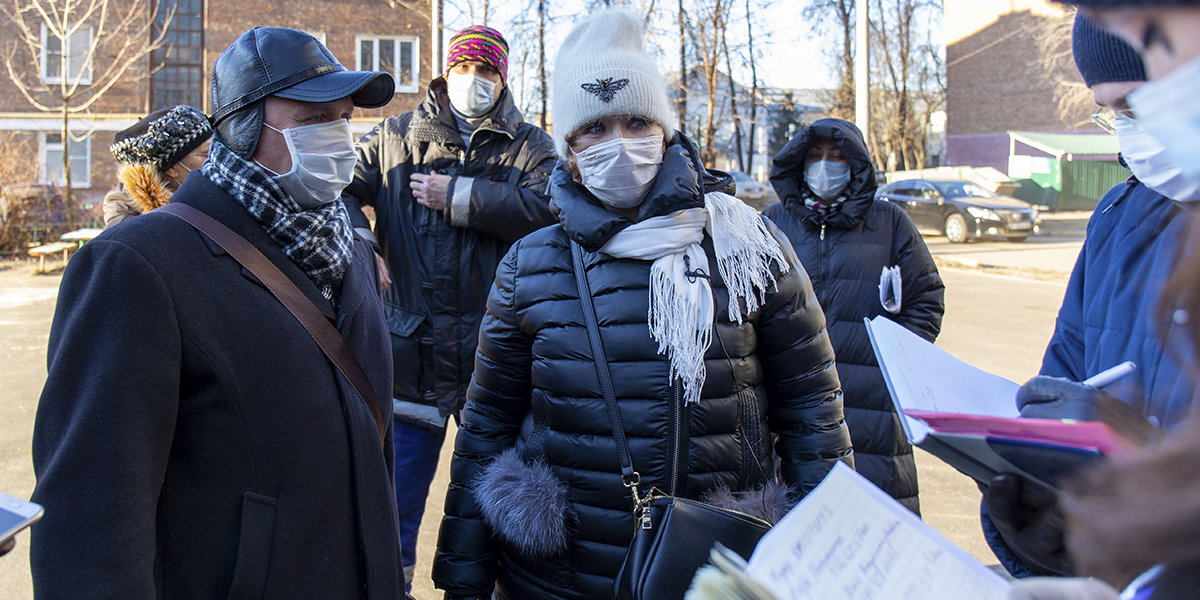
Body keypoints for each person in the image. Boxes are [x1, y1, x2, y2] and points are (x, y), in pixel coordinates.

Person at [432, 10, 852, 599]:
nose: (618, 145)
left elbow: (814, 417)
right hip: (558, 578)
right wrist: (464, 578)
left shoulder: (749, 246)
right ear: (570, 147)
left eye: (635, 121)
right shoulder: (530, 264)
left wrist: (825, 561)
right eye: (594, 129)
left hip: (716, 569)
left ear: (664, 128)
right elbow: (486, 432)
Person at [30, 28, 407, 598]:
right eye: (312, 120)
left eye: (343, 118)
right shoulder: (138, 263)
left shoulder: (349, 250)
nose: (338, 138)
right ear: (242, 125)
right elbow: (90, 521)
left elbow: (373, 450)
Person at [982, 12, 1198, 579]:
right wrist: (1054, 538)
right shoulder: (1118, 218)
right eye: (1114, 115)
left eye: (1141, 105)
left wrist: (1151, 464)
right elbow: (1069, 378)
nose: (1135, 135)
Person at [340, 26, 556, 588]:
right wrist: (363, 248)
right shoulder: (394, 137)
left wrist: (462, 197)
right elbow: (336, 190)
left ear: (503, 79)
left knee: (508, 506)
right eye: (464, 68)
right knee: (394, 508)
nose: (474, 81)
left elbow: (554, 206)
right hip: (411, 358)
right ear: (445, 72)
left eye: (487, 71)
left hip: (501, 359)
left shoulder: (529, 145)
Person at [764, 118, 944, 514]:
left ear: (857, 164)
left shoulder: (890, 223)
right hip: (793, 402)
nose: (825, 166)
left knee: (877, 531)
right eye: (815, 156)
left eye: (837, 157)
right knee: (802, 524)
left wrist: (891, 361)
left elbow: (926, 298)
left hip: (872, 406)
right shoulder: (774, 222)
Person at [104, 105, 213, 227]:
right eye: (206, 153)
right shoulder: (129, 229)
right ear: (171, 168)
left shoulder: (210, 197)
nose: (215, 157)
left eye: (217, 148)